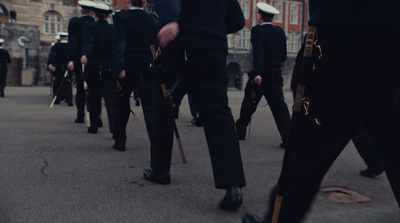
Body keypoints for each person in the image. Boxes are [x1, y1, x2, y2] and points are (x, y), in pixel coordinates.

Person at [242, 1, 400, 222]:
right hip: (392, 32)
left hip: (340, 27)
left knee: (310, 141)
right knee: (392, 132)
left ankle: (281, 217)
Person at [143, 0, 246, 211]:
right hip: (213, 51)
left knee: (163, 108)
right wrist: (212, 28)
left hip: (179, 49)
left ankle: (160, 170)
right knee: (219, 115)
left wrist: (173, 21)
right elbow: (237, 20)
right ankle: (233, 185)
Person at [235, 3, 291, 148]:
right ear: (272, 18)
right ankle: (289, 138)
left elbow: (258, 53)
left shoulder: (257, 31)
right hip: (276, 75)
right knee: (280, 108)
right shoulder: (280, 32)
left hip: (261, 75)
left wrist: (257, 73)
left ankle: (240, 131)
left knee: (249, 103)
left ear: (260, 16)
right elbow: (283, 56)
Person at [111, 0, 158, 151]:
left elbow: (120, 44)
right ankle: (156, 144)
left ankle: (120, 141)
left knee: (121, 104)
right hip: (147, 67)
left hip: (128, 66)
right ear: (144, 3)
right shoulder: (152, 20)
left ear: (129, 2)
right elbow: (154, 46)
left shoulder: (121, 17)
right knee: (150, 107)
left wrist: (119, 67)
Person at [81, 3, 115, 134]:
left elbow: (90, 42)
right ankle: (114, 128)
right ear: (107, 16)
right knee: (110, 99)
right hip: (109, 66)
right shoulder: (113, 29)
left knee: (93, 96)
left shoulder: (90, 27)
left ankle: (94, 125)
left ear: (94, 14)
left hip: (94, 65)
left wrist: (85, 54)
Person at [67, 0, 95, 123]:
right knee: (94, 88)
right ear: (93, 12)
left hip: (79, 59)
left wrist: (71, 60)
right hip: (94, 59)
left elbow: (73, 43)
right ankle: (96, 116)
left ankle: (80, 115)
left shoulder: (74, 23)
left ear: (82, 10)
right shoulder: (96, 23)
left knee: (80, 87)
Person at [48, 33, 73, 106]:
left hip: (58, 66)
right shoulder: (70, 46)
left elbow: (52, 56)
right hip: (68, 66)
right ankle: (69, 101)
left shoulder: (56, 46)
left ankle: (57, 100)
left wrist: (51, 64)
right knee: (68, 84)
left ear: (60, 38)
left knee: (57, 83)